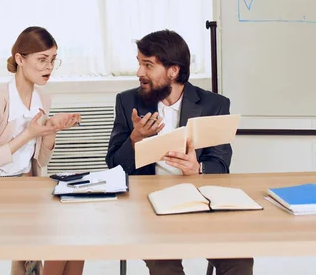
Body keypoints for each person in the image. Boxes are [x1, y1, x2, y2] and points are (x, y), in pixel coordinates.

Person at [105, 29, 253, 275]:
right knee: (165, 267)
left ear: (173, 71)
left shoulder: (213, 104)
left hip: (201, 201)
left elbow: (220, 164)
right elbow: (113, 166)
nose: (139, 72)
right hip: (149, 205)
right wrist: (134, 139)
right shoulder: (128, 101)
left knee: (239, 261)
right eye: (139, 64)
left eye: (148, 65)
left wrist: (197, 169)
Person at [0, 26, 85, 275]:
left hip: (28, 187)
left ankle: (32, 266)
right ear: (20, 59)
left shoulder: (43, 100)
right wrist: (29, 134)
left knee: (76, 232)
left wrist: (51, 130)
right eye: (42, 60)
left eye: (53, 60)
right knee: (59, 238)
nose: (49, 67)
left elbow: (40, 162)